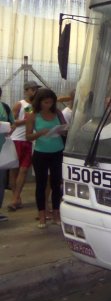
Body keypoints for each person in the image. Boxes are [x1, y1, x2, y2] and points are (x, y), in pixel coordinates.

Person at [25, 88, 65, 228]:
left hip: (57, 151)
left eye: (51, 102)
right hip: (41, 153)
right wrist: (40, 133)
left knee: (56, 183)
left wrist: (62, 130)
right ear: (39, 102)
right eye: (45, 102)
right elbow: (28, 136)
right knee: (41, 185)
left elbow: (65, 128)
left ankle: (56, 213)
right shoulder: (32, 116)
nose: (48, 105)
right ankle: (42, 215)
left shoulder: (58, 113)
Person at [7, 80, 41, 212]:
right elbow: (12, 122)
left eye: (36, 89)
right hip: (16, 140)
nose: (35, 91)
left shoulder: (37, 106)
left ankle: (15, 198)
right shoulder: (20, 104)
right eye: (32, 89)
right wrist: (25, 121)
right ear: (26, 91)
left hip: (29, 141)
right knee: (14, 170)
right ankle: (16, 197)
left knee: (24, 170)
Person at [0, 88, 15, 223]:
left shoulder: (4, 107)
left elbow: (13, 123)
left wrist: (9, 129)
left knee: (0, 182)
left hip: (2, 151)